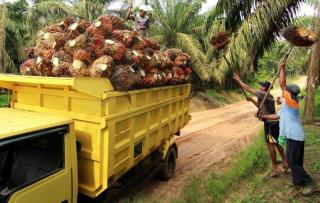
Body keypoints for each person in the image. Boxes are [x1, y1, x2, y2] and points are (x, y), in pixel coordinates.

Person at [260, 63, 318, 196]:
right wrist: (263, 116)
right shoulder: (287, 106)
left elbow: (282, 83)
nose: (282, 92)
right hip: (292, 137)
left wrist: (282, 69)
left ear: (289, 94)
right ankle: (299, 183)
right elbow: (276, 116)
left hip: (296, 137)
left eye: (285, 91)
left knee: (292, 162)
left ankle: (310, 183)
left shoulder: (292, 103)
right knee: (295, 161)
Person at [233, 74, 288, 177]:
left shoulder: (264, 94)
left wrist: (238, 79)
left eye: (261, 85)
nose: (260, 87)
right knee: (275, 143)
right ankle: (284, 162)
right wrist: (252, 100)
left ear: (265, 88)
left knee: (271, 144)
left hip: (270, 123)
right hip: (271, 123)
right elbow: (260, 106)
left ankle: (275, 167)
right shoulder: (266, 96)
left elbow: (248, 88)